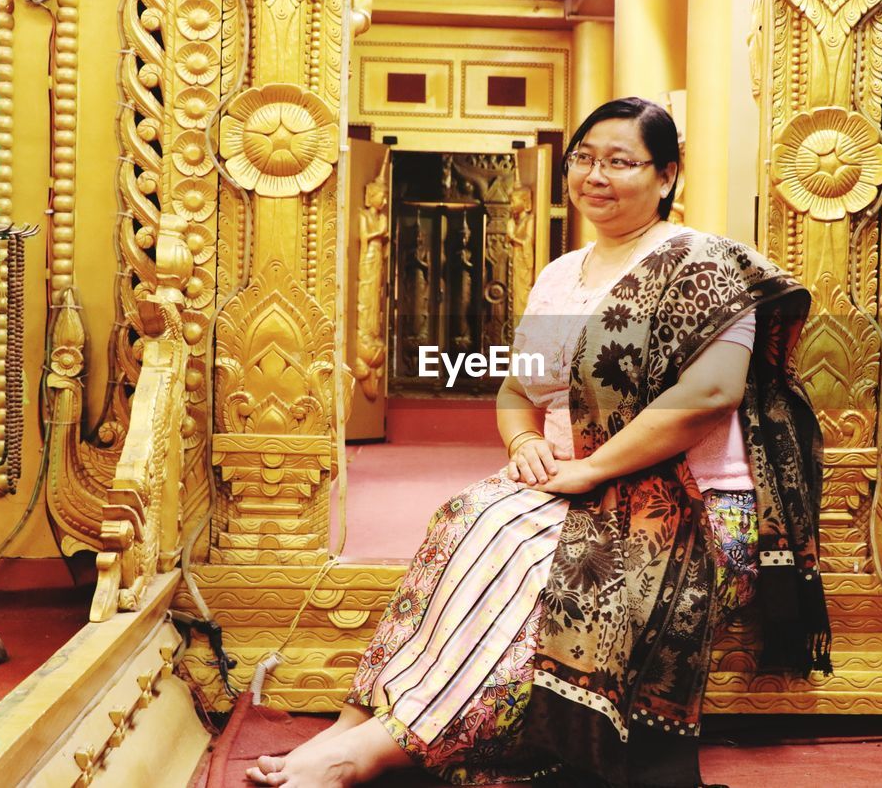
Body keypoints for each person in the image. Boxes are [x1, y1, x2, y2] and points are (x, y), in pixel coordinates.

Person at [246, 98, 829, 787]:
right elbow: (520, 389)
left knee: (525, 560)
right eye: (584, 159)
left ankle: (370, 753)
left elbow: (707, 396)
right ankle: (356, 722)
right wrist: (523, 441)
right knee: (468, 517)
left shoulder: (703, 267)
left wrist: (590, 471)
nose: (596, 175)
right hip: (572, 482)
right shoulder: (561, 275)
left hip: (692, 503)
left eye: (620, 161)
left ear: (666, 176)